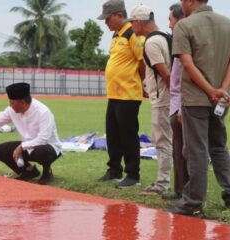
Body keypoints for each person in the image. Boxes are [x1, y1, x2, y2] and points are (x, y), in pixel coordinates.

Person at [169, 0, 230, 217]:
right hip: (221, 98)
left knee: (196, 150)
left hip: (196, 97)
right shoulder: (229, 24)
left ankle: (192, 202)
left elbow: (187, 64)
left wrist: (210, 90)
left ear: (191, 1)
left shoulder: (185, 25)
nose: (182, 4)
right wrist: (222, 89)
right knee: (219, 146)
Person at [97, 0, 145, 187]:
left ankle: (133, 174)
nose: (105, 22)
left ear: (119, 15)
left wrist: (143, 83)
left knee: (128, 135)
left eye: (107, 18)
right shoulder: (117, 35)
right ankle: (114, 168)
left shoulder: (132, 33)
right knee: (113, 134)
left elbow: (141, 61)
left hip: (128, 94)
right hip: (115, 95)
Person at [128, 4, 173, 195]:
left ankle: (162, 183)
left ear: (138, 21)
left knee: (162, 141)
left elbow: (166, 75)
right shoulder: (164, 36)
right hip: (167, 97)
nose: (131, 27)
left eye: (132, 22)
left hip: (163, 99)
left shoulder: (151, 42)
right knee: (169, 141)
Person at [161, 3, 188, 201]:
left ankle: (186, 193)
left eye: (170, 20)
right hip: (177, 102)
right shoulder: (179, 41)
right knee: (178, 151)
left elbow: (187, 76)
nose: (169, 25)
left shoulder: (187, 39)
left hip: (181, 104)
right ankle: (180, 191)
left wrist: (181, 107)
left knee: (184, 151)